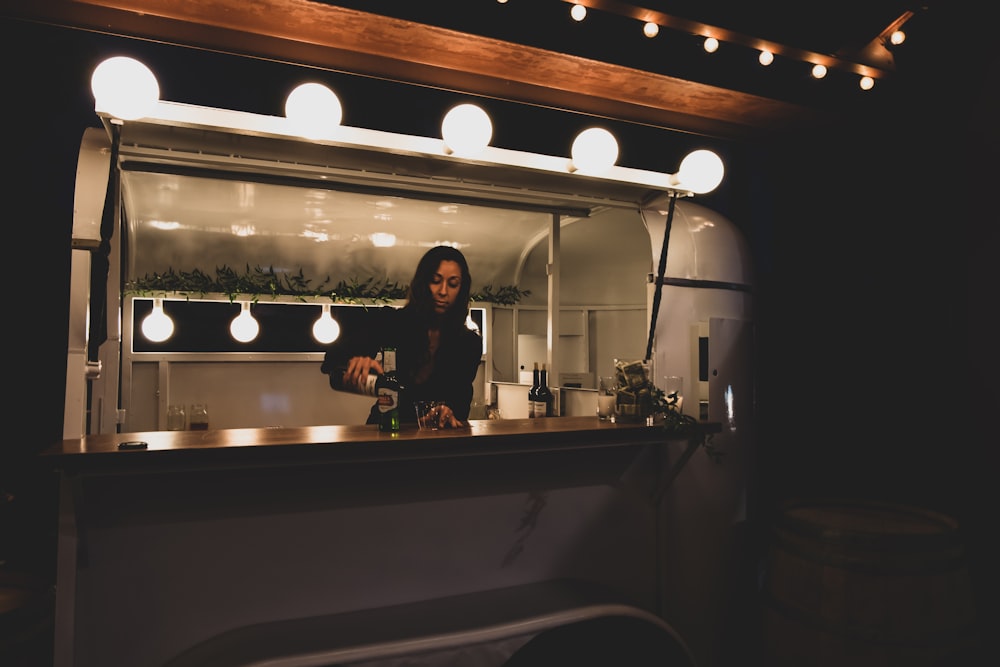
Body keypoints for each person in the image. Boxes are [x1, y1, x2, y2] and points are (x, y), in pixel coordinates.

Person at [321, 245, 483, 428]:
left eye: (453, 284)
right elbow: (331, 361)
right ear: (423, 283)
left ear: (461, 290)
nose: (443, 291)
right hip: (387, 431)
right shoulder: (393, 322)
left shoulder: (468, 343)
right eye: (435, 281)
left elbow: (460, 404)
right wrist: (353, 362)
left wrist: (447, 412)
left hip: (435, 439)